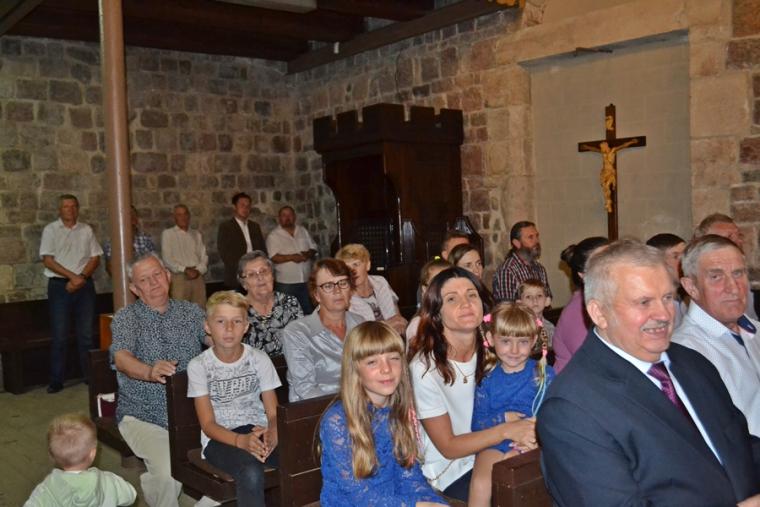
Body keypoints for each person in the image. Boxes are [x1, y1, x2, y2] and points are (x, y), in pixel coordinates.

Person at [537, 239, 760, 506]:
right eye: (644, 302)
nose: (664, 314)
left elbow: (740, 447)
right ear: (599, 312)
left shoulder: (691, 363)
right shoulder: (572, 408)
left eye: (667, 298)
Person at [408, 267, 536, 502]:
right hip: (454, 467)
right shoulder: (425, 368)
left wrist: (528, 434)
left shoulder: (499, 349)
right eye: (452, 299)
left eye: (471, 295)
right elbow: (448, 446)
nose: (465, 303)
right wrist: (507, 430)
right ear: (437, 312)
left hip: (502, 446)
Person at [110, 252, 208, 507]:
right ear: (135, 289)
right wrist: (149, 372)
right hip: (144, 415)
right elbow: (121, 358)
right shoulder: (127, 318)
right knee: (167, 472)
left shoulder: (191, 311)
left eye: (157, 275)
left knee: (234, 460)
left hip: (193, 413)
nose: (153, 283)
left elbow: (215, 338)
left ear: (167, 276)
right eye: (144, 280)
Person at [319, 321, 447, 507]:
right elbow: (358, 494)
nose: (386, 369)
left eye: (394, 358)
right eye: (372, 362)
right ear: (355, 369)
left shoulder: (398, 411)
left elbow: (410, 477)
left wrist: (433, 502)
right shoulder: (337, 421)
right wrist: (415, 505)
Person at [187, 291, 281, 506]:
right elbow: (208, 425)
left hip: (258, 431)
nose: (229, 328)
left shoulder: (259, 359)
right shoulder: (199, 366)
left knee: (299, 456)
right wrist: (241, 441)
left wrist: (273, 432)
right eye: (221, 321)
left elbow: (273, 413)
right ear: (208, 326)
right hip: (220, 439)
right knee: (250, 471)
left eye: (236, 321)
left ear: (246, 326)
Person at [672, 235, 760, 436]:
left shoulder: (755, 330)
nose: (733, 287)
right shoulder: (683, 352)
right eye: (716, 277)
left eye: (738, 273)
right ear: (691, 287)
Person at [469, 302, 555, 507]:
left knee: (511, 469)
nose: (514, 350)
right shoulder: (487, 380)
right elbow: (477, 425)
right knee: (480, 483)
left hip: (532, 441)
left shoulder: (543, 374)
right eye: (506, 341)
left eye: (523, 341)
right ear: (491, 339)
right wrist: (503, 418)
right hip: (495, 440)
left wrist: (537, 434)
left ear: (534, 340)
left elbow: (555, 415)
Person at [40, 194, 103, 394]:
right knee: (60, 336)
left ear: (78, 208)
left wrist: (81, 278)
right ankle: (56, 380)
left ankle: (89, 376)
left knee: (86, 335)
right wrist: (72, 277)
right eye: (66, 206)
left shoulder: (86, 230)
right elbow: (48, 260)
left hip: (84, 286)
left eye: (74, 206)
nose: (71, 210)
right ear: (60, 210)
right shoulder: (51, 230)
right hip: (60, 287)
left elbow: (95, 258)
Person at [281, 258, 364, 401]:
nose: (337, 291)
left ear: (350, 289)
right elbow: (306, 389)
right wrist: (347, 406)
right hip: (317, 408)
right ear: (317, 295)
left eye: (343, 283)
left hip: (360, 403)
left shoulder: (361, 323)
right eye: (328, 286)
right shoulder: (297, 332)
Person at [24, 413, 136, 507]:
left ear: (52, 456)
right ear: (93, 454)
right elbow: (130, 495)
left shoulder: (48, 489)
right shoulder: (107, 481)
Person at [551, 236, 609, 373]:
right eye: (601, 264)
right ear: (582, 275)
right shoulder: (576, 311)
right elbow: (595, 365)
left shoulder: (608, 300)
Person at [238, 251, 303, 359]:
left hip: (290, 366)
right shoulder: (238, 310)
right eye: (252, 274)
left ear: (272, 275)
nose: (260, 278)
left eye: (264, 271)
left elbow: (301, 342)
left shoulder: (290, 302)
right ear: (244, 284)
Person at [694, 212, 757, 319]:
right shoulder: (697, 279)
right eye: (729, 237)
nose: (739, 241)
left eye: (739, 235)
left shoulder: (743, 274)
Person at [336, 243, 407, 335]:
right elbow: (355, 333)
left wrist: (401, 327)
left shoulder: (381, 282)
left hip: (393, 338)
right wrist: (386, 325)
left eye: (356, 264)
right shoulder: (343, 296)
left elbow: (398, 317)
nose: (352, 271)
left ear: (368, 265)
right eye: (347, 267)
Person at [265, 205, 318, 314]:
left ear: (294, 217)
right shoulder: (273, 236)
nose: (287, 218)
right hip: (286, 284)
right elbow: (273, 257)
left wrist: (308, 253)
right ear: (279, 218)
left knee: (309, 313)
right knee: (287, 314)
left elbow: (314, 247)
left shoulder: (302, 230)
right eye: (284, 215)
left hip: (306, 281)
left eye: (290, 215)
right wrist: (292, 257)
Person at [161, 204, 208, 308]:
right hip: (179, 277)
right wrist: (185, 269)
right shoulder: (168, 234)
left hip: (197, 276)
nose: (183, 217)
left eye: (185, 214)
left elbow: (204, 256)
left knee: (200, 310)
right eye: (179, 215)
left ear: (189, 216)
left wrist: (198, 270)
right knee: (180, 311)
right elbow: (167, 259)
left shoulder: (196, 234)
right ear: (174, 217)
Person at [492, 221, 552, 303]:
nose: (536, 241)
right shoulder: (507, 271)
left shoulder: (540, 269)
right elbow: (507, 308)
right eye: (530, 237)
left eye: (537, 236)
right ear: (517, 243)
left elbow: (547, 300)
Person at [217, 192, 266, 289]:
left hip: (256, 274)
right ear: (234, 207)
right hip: (237, 275)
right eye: (242, 205)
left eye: (248, 206)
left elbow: (262, 249)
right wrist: (244, 268)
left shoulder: (255, 226)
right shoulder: (226, 227)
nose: (245, 208)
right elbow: (224, 253)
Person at [646, 232, 688, 327]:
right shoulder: (652, 306)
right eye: (676, 257)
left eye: (685, 256)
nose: (684, 262)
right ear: (657, 262)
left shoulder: (687, 300)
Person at [103, 204, 157, 276]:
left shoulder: (146, 240)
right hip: (121, 279)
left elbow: (153, 264)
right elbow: (110, 269)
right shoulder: (111, 242)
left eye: (131, 217)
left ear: (136, 220)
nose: (126, 221)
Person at [406, 258, 451, 343]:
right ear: (424, 290)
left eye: (449, 283)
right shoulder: (419, 325)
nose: (443, 289)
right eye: (436, 284)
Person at [516, 279, 555, 346]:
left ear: (547, 301)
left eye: (539, 295)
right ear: (520, 304)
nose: (535, 300)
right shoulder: (516, 328)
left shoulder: (550, 328)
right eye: (528, 297)